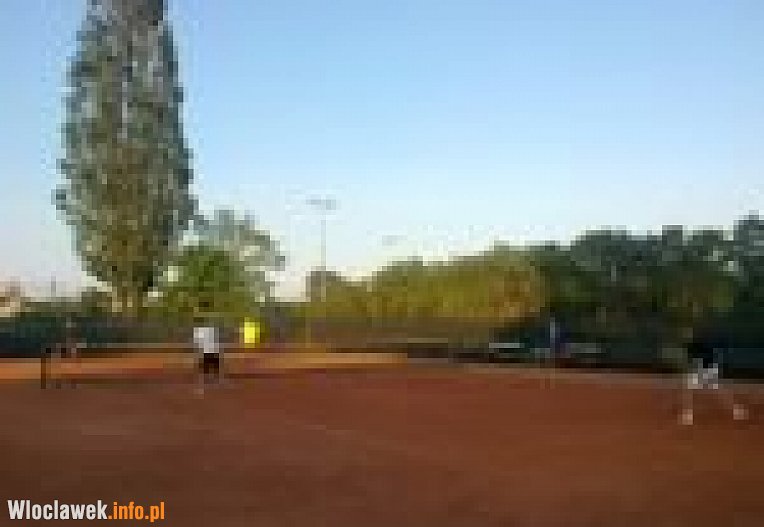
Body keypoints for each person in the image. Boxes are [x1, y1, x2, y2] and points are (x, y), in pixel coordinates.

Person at [679, 331, 748, 425]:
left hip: (706, 370)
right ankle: (737, 410)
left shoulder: (701, 347)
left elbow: (694, 358)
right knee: (691, 391)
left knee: (717, 391)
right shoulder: (701, 346)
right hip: (704, 370)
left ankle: (737, 410)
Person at [193, 316, 222, 388]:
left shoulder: (198, 330)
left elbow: (198, 342)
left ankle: (207, 379)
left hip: (207, 350)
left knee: (207, 366)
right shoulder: (211, 329)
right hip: (213, 349)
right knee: (214, 366)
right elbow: (216, 339)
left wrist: (199, 351)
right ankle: (215, 379)